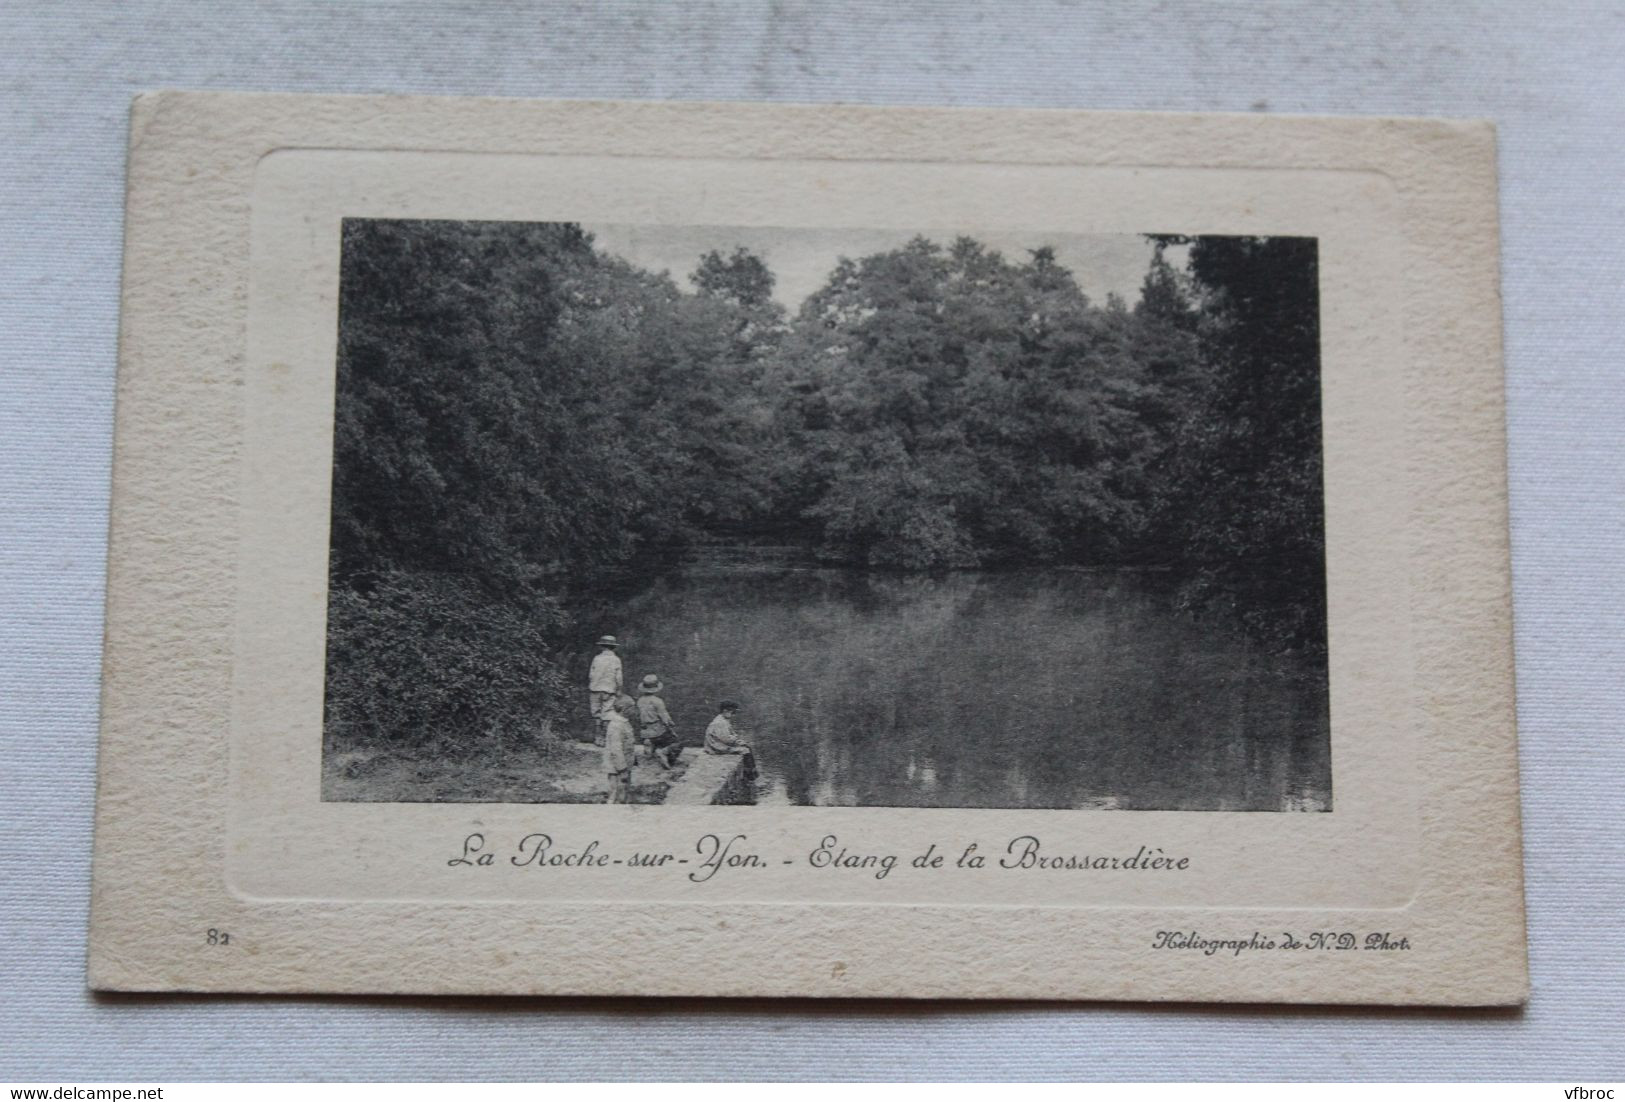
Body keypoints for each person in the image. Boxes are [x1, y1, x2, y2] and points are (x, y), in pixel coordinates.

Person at [635, 674, 683, 769]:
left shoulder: (639, 701)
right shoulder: (657, 701)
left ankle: (650, 748)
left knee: (651, 741)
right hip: (657, 730)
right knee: (678, 741)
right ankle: (664, 752)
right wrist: (671, 725)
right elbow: (665, 717)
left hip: (644, 730)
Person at [587, 635, 623, 746]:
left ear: (602, 646)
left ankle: (598, 738)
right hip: (609, 690)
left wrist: (595, 683)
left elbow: (591, 675)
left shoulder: (597, 658)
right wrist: (619, 689)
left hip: (595, 689)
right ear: (613, 647)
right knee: (607, 714)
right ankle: (606, 739)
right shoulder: (616, 660)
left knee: (596, 713)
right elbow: (619, 678)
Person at [603, 693, 638, 804]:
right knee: (617, 792)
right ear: (624, 709)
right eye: (632, 708)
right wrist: (622, 768)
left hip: (625, 764)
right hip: (617, 768)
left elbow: (628, 744)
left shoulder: (623, 722)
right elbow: (616, 749)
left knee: (624, 790)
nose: (634, 710)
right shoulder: (616, 725)